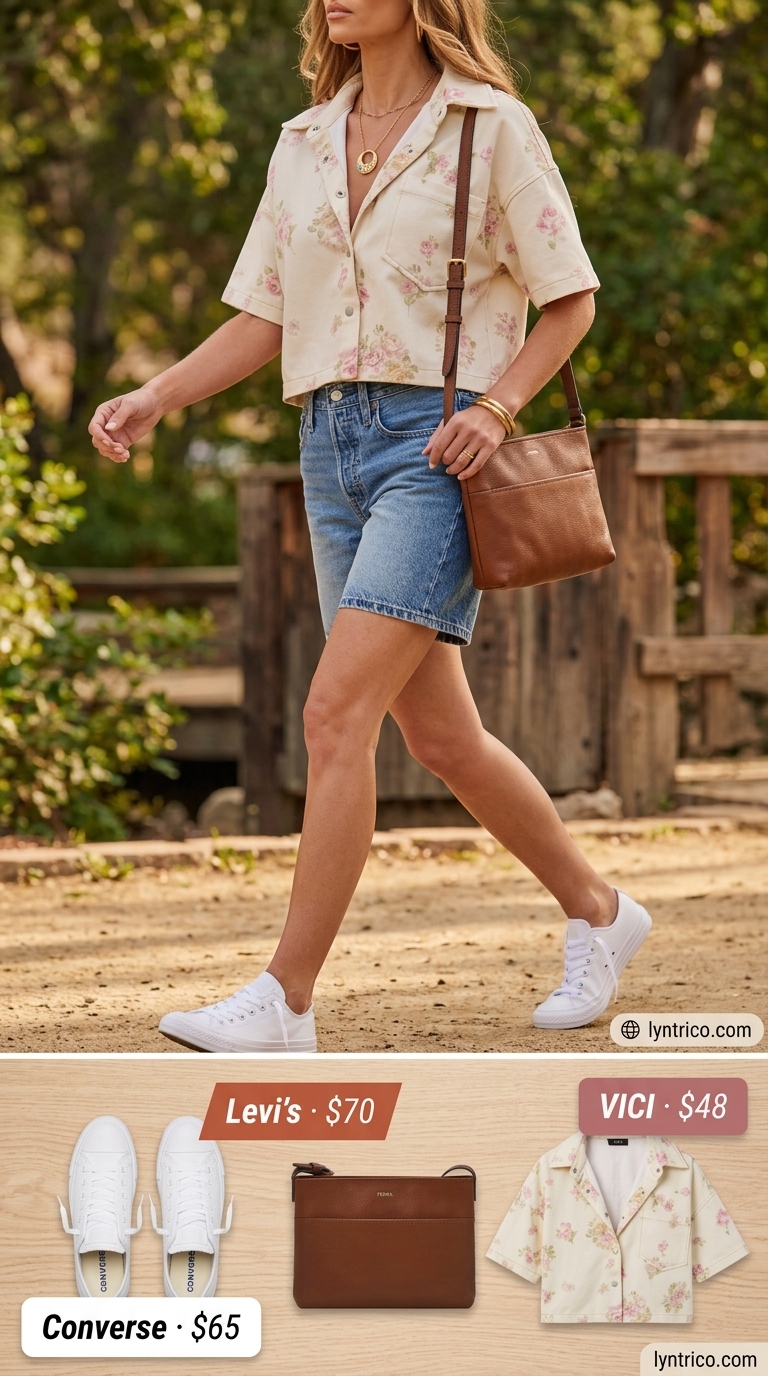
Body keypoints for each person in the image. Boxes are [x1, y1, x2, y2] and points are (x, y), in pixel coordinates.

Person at [88, 0, 652, 1053]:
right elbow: (268, 315)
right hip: (329, 445)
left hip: (437, 451)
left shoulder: (491, 126)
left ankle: (286, 1000)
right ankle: (602, 910)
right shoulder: (303, 143)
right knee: (440, 735)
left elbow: (568, 297)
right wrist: (156, 397)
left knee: (333, 713)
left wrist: (494, 408)